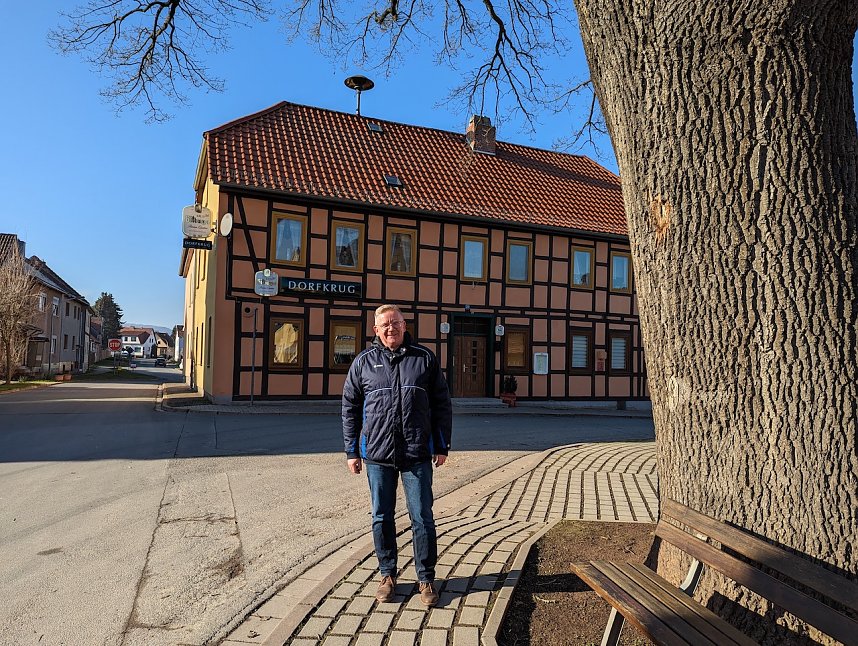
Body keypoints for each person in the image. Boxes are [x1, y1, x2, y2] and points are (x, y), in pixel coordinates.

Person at [342, 304, 453, 607]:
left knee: (422, 517)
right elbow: (350, 408)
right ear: (375, 330)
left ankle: (426, 578)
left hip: (416, 453)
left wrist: (441, 446)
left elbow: (442, 405)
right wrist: (352, 450)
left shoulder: (424, 359)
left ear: (405, 326)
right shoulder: (363, 362)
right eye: (384, 325)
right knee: (381, 516)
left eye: (396, 323)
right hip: (378, 455)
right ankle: (387, 575)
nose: (391, 329)